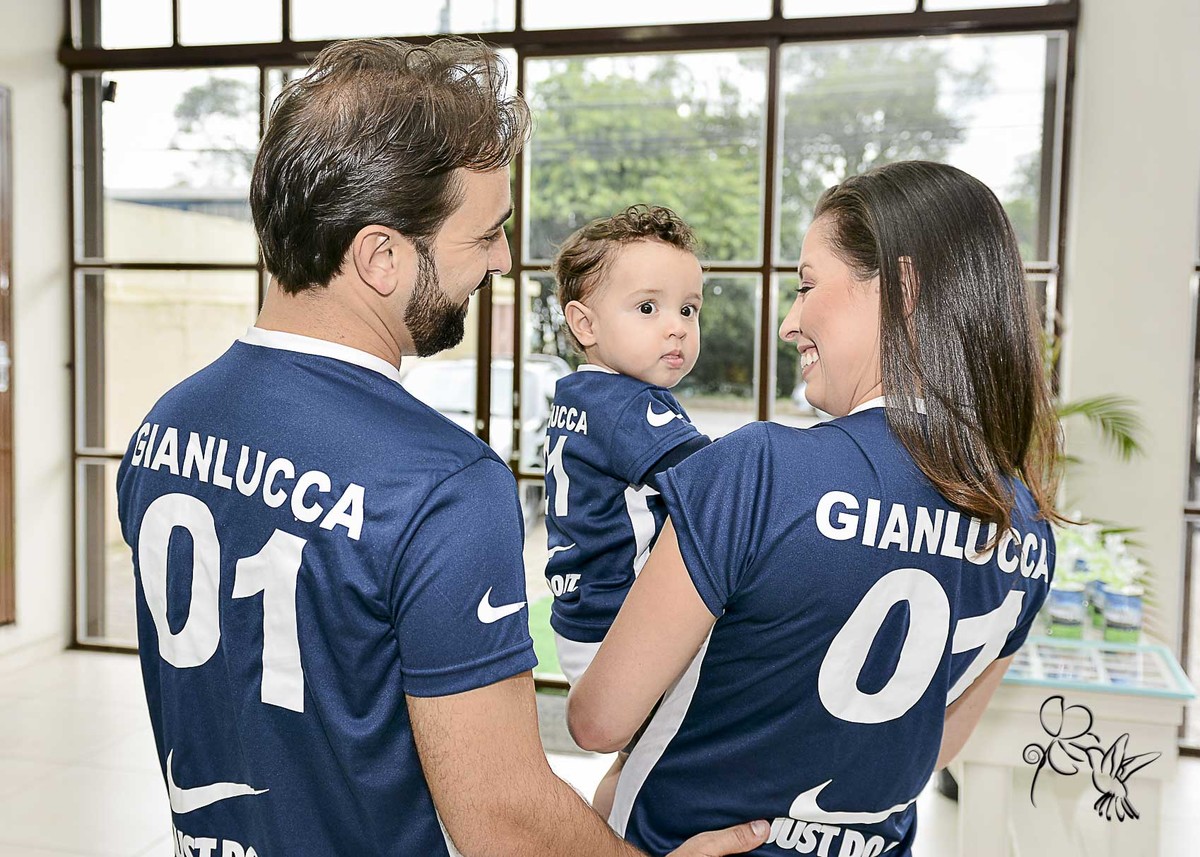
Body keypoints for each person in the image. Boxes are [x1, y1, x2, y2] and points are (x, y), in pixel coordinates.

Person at [115, 38, 767, 857]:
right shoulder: (442, 484)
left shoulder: (164, 426)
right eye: (485, 234)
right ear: (381, 256)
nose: (502, 259)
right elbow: (501, 813)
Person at [568, 160, 1063, 856]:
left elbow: (597, 721)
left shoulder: (760, 471)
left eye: (806, 286)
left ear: (902, 290)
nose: (789, 324)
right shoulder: (1029, 525)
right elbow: (937, 740)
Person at [544, 204, 712, 812]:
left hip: (583, 617)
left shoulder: (580, 395)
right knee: (682, 756)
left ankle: (606, 830)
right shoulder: (628, 407)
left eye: (688, 309)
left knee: (639, 761)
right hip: (622, 623)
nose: (676, 328)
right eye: (648, 308)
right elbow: (718, 483)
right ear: (584, 324)